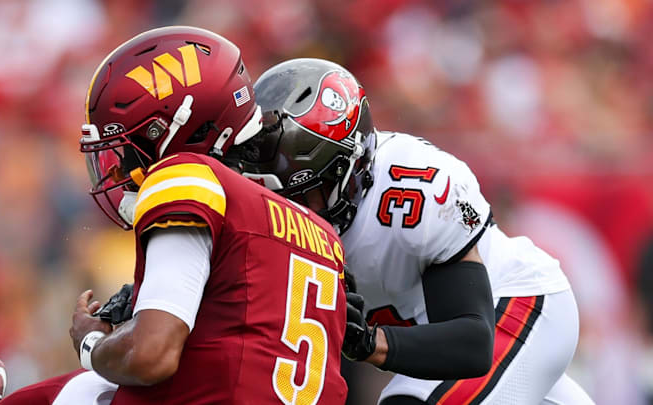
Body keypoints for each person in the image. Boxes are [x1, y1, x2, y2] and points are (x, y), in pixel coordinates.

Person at [0, 29, 348, 405]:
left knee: (87, 389)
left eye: (128, 147)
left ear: (175, 129)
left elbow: (151, 356)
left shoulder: (187, 175)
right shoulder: (323, 234)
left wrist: (92, 344)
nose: (118, 170)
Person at [236, 58, 594, 404]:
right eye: (276, 196)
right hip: (439, 349)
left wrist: (369, 342)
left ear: (353, 167)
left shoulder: (413, 189)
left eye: (307, 194)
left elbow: (473, 341)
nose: (293, 211)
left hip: (516, 306)